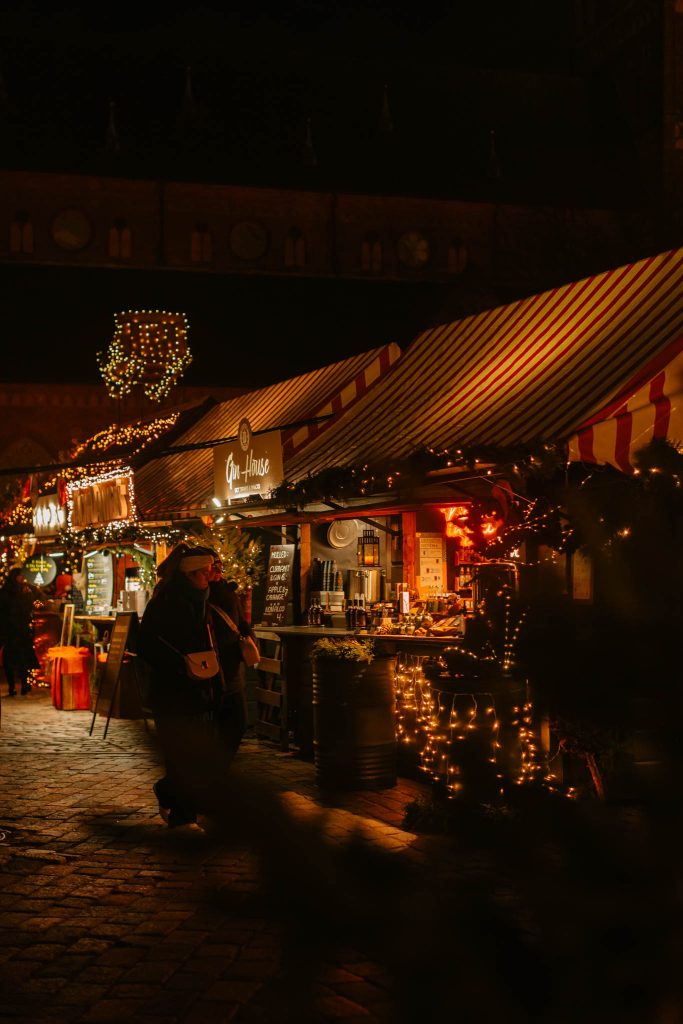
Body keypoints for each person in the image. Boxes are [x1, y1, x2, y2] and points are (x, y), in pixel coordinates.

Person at [137, 545, 223, 829]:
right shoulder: (166, 600)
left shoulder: (203, 598)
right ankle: (182, 813)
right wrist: (179, 665)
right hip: (171, 690)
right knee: (179, 752)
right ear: (190, 574)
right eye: (205, 572)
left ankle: (177, 798)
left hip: (199, 685)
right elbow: (146, 643)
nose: (209, 577)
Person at [207, 553, 255, 760]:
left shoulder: (228, 593)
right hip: (207, 669)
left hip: (232, 667)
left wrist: (249, 639)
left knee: (237, 722)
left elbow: (242, 624)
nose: (217, 572)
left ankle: (219, 767)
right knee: (214, 724)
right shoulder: (196, 595)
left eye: (219, 567)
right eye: (212, 568)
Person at [0, 567, 40, 697]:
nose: (23, 578)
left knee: (21, 658)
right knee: (12, 659)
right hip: (11, 630)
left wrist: (28, 595)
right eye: (20, 576)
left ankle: (23, 684)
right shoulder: (7, 592)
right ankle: (13, 686)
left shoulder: (24, 590)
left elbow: (30, 605)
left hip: (19, 629)